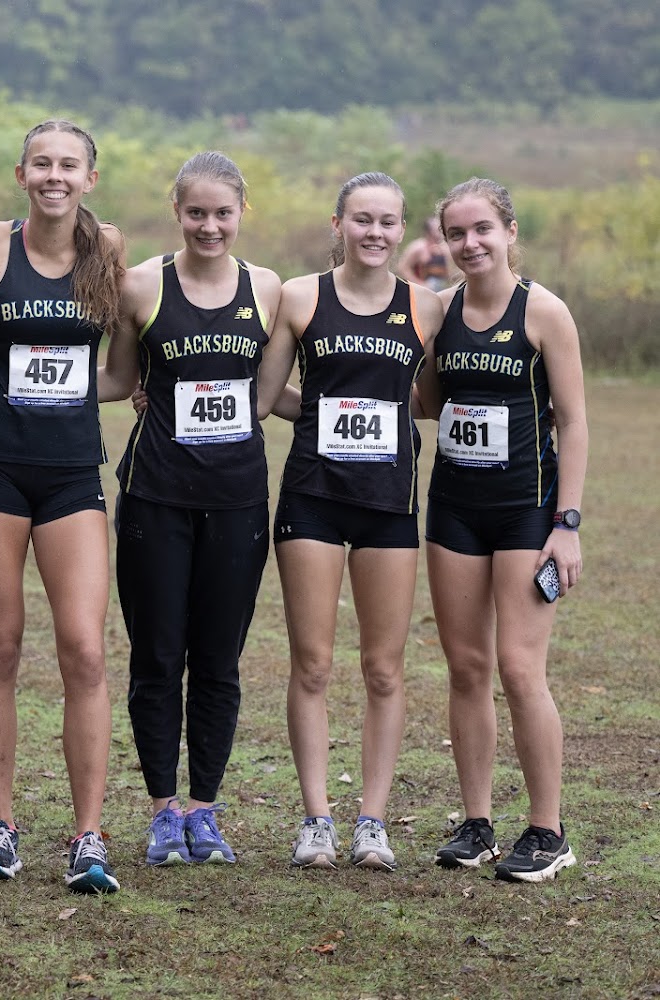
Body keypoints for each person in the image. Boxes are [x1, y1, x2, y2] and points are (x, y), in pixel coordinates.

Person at [0, 119, 129, 895]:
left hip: (71, 477)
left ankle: (88, 834)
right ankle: (1, 823)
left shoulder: (107, 249)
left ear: (90, 178)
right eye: (42, 163)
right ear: (21, 174)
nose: (55, 175)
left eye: (69, 165)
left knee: (84, 650)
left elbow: (120, 372)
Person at [103, 151, 293, 867]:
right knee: (156, 657)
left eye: (222, 213)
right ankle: (162, 810)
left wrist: (370, 410)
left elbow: (269, 395)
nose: (209, 226)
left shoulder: (267, 289)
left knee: (218, 660)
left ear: (242, 213)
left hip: (237, 500)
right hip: (155, 496)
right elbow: (121, 378)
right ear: (176, 212)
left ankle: (205, 810)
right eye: (196, 213)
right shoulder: (140, 284)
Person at [272, 172, 443, 871]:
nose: (375, 232)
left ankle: (372, 820)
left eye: (387, 221)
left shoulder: (427, 306)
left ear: (402, 229)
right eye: (362, 219)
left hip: (389, 504)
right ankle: (317, 819)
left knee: (383, 668)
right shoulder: (300, 296)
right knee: (312, 663)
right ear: (338, 223)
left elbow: (432, 401)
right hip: (312, 496)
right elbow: (266, 394)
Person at [422, 178, 586, 882]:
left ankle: (548, 830)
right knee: (466, 668)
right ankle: (478, 823)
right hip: (453, 510)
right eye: (456, 233)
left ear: (510, 231)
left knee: (520, 669)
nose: (470, 244)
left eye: (482, 229)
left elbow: (573, 422)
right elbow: (425, 400)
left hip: (526, 510)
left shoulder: (543, 311)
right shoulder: (438, 311)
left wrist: (567, 523)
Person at [398, 216, 451, 291]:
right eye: (437, 229)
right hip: (422, 289)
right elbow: (402, 268)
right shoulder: (417, 247)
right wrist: (419, 284)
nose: (440, 231)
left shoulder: (445, 247)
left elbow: (451, 270)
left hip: (442, 289)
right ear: (429, 231)